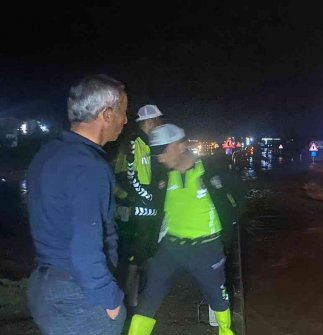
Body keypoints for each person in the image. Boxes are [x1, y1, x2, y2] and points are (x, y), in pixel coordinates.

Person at [26, 74, 128, 335]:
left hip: (44, 285)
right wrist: (110, 298)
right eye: (122, 112)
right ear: (106, 114)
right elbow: (85, 245)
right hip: (79, 294)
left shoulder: (47, 154)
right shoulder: (89, 167)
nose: (125, 120)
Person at [128, 124, 238, 335]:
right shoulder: (162, 178)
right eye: (155, 152)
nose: (159, 157)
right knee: (149, 296)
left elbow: (237, 200)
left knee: (218, 299)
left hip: (206, 249)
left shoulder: (211, 172)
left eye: (163, 150)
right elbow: (155, 210)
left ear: (181, 146)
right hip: (171, 248)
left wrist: (227, 234)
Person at [114, 105, 164, 308]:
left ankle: (136, 298)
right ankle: (127, 300)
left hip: (148, 209)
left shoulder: (149, 143)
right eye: (158, 121)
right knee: (133, 257)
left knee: (144, 254)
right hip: (137, 212)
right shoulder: (134, 143)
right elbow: (132, 176)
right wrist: (147, 197)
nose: (160, 125)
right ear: (149, 122)